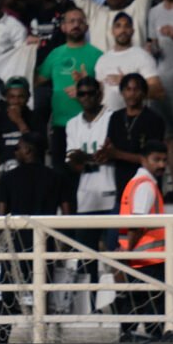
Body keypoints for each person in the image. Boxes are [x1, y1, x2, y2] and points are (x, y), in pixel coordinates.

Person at [0, 132, 72, 344]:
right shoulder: (57, 177)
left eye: (18, 148)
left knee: (7, 295)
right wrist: (64, 245)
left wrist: (1, 244)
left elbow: (0, 215)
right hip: (45, 244)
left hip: (15, 246)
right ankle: (41, 339)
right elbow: (67, 215)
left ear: (28, 150)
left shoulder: (8, 178)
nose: (15, 152)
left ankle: (2, 340)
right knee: (43, 294)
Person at [36, 6, 104, 169]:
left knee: (89, 173)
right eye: (71, 21)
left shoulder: (98, 55)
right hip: (60, 125)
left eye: (80, 21)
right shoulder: (55, 54)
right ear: (63, 27)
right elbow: (36, 80)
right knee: (60, 174)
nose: (76, 25)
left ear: (86, 27)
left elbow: (105, 89)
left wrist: (84, 86)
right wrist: (28, 51)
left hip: (89, 125)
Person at [65, 76, 115, 285]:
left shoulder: (113, 118)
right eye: (82, 94)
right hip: (86, 197)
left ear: (99, 94)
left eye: (90, 93)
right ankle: (90, 301)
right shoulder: (72, 124)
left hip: (112, 195)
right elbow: (72, 162)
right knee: (86, 259)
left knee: (115, 255)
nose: (86, 97)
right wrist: (91, 158)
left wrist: (84, 158)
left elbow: (111, 155)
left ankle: (119, 300)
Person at [117, 140, 168, 341]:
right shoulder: (146, 185)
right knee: (153, 301)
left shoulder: (136, 183)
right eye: (157, 160)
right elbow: (138, 222)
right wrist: (128, 250)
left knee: (136, 299)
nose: (162, 164)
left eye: (164, 160)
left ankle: (127, 335)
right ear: (144, 160)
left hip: (140, 255)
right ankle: (152, 339)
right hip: (148, 256)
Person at [105, 72, 165, 200]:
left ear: (144, 93)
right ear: (122, 92)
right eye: (128, 89)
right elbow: (110, 150)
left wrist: (117, 154)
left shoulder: (154, 120)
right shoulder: (115, 118)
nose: (132, 94)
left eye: (136, 89)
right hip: (122, 188)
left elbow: (153, 160)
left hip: (147, 188)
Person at [147, 0, 173, 189]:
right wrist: (152, 48)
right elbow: (153, 43)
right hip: (162, 84)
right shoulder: (154, 13)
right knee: (168, 139)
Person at [94, 12, 161, 111]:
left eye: (127, 26)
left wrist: (126, 82)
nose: (123, 30)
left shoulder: (143, 56)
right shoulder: (102, 60)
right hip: (106, 117)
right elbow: (98, 95)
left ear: (132, 31)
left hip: (134, 117)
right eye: (118, 26)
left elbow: (158, 92)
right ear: (112, 31)